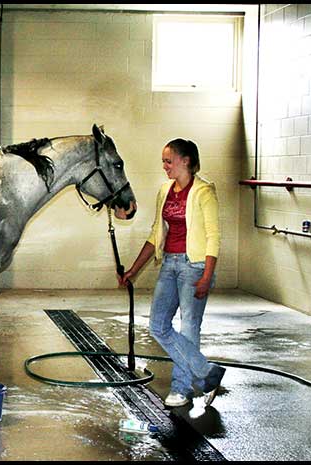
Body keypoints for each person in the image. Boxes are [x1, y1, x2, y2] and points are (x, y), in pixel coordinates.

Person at [118, 138, 225, 408]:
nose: (164, 166)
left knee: (189, 328)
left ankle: (182, 388)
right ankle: (206, 373)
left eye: (169, 160)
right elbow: (156, 233)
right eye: (163, 161)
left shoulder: (204, 192)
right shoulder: (165, 190)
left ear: (185, 161)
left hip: (195, 266)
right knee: (158, 325)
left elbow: (213, 236)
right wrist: (133, 269)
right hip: (169, 263)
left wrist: (206, 275)